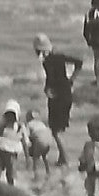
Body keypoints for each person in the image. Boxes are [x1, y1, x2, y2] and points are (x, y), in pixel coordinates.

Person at [33, 34, 78, 164]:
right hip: (67, 93)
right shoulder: (60, 57)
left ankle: (65, 158)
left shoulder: (47, 62)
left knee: (55, 130)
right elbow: (79, 62)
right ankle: (62, 158)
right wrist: (72, 79)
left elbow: (50, 78)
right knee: (60, 129)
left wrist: (47, 89)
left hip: (57, 96)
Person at [0, 103, 27, 186]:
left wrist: (27, 158)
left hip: (12, 155)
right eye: (8, 115)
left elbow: (24, 143)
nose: (10, 117)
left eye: (12, 115)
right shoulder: (2, 127)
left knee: (10, 176)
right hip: (1, 153)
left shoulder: (20, 127)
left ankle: (11, 192)